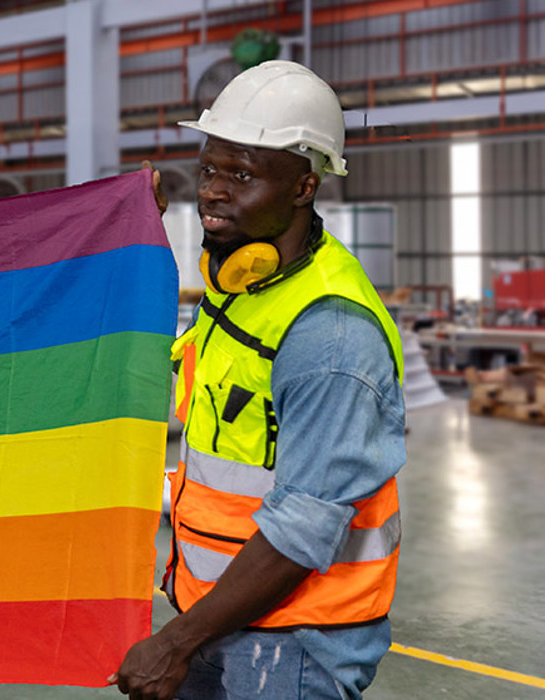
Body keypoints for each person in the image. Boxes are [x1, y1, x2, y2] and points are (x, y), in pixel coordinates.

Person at [111, 61, 407, 699]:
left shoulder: (330, 335)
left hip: (294, 643)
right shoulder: (240, 286)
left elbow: (302, 527)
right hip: (217, 615)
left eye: (241, 174)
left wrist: (174, 643)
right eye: (210, 169)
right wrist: (129, 235)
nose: (213, 192)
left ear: (304, 186)